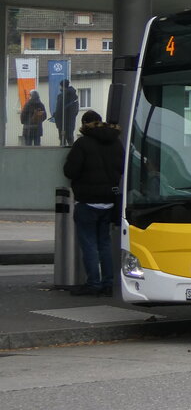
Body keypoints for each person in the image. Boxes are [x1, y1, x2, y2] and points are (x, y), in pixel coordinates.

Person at [63, 110, 124, 296]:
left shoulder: (82, 143)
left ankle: (93, 284)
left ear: (84, 124)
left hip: (88, 202)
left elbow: (70, 171)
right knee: (104, 243)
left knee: (89, 244)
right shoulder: (116, 141)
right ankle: (107, 283)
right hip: (108, 201)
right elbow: (122, 168)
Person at [53, 79, 80, 146]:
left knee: (62, 140)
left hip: (62, 122)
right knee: (70, 139)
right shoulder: (75, 96)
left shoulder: (61, 96)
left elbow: (59, 109)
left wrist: (55, 115)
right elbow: (76, 110)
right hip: (71, 121)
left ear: (62, 86)